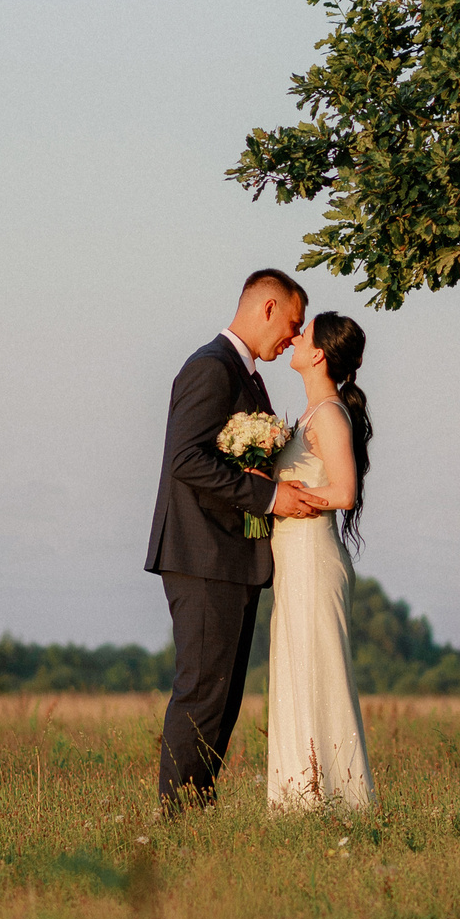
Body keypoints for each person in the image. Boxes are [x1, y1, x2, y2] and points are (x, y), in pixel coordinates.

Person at [145, 268, 324, 813]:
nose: (294, 337)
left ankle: (196, 810)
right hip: (203, 556)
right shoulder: (210, 367)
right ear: (267, 308)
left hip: (232, 558)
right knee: (202, 691)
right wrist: (268, 499)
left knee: (222, 696)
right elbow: (186, 460)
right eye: (292, 323)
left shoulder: (243, 373)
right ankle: (178, 818)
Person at [264, 310, 376, 810]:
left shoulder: (330, 414)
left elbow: (346, 492)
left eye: (303, 334)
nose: (294, 336)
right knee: (295, 672)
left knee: (317, 673)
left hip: (312, 555)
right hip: (293, 559)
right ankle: (299, 798)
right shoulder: (311, 414)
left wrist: (292, 493)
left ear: (318, 355)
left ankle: (335, 798)